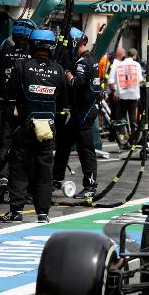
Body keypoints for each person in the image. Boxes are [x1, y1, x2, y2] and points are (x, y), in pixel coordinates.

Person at [0, 29, 64, 224]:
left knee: (19, 168)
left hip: (24, 127)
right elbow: (61, 99)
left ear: (32, 45)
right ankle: (43, 214)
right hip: (48, 128)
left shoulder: (21, 65)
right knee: (45, 171)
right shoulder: (59, 70)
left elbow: (7, 93)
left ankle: (16, 211)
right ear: (51, 48)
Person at [0, 19, 35, 201]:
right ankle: (24, 187)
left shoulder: (3, 53)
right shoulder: (33, 56)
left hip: (2, 105)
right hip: (25, 108)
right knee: (25, 147)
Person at [52, 28, 100, 198]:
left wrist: (66, 73)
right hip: (83, 110)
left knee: (85, 149)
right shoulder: (91, 58)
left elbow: (76, 83)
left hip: (84, 113)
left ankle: (91, 187)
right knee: (64, 142)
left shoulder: (82, 62)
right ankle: (56, 179)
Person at [107, 47, 144, 141]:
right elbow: (140, 79)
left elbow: (110, 81)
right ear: (134, 56)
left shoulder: (118, 65)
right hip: (133, 95)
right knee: (132, 117)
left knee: (119, 117)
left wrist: (115, 92)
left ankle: (120, 136)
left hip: (121, 95)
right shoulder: (137, 65)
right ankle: (133, 138)